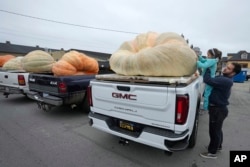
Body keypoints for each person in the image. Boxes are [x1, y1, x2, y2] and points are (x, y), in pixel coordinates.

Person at [200, 62, 242, 159]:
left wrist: (208, 67)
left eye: (229, 68)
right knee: (217, 130)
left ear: (233, 73)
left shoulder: (226, 81)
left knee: (214, 131)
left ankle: (212, 152)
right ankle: (218, 146)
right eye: (226, 66)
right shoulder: (224, 78)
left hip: (218, 110)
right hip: (218, 109)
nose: (225, 68)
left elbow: (207, 80)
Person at [197, 48, 222, 112]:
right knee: (206, 93)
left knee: (207, 94)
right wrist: (199, 57)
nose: (207, 56)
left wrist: (197, 62)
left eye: (208, 55)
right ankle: (205, 106)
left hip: (209, 80)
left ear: (213, 55)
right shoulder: (212, 60)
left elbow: (204, 65)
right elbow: (204, 60)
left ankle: (205, 108)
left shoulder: (212, 61)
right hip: (210, 79)